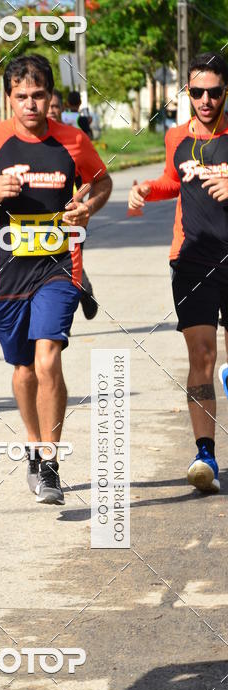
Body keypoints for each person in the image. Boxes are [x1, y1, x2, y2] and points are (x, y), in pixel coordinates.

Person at [0, 55, 111, 505]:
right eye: (22, 96)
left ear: (51, 97)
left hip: (59, 267)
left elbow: (102, 182)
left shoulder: (72, 141)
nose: (31, 104)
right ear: (8, 98)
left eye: (39, 95)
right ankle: (34, 449)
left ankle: (51, 462)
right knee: (22, 370)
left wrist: (87, 208)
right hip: (8, 273)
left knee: (46, 360)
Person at [128, 52, 228, 493]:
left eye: (215, 92)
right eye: (197, 92)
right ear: (187, 93)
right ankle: (204, 454)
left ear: (226, 93)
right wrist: (147, 189)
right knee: (202, 355)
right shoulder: (175, 138)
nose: (206, 100)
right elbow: (174, 180)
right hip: (191, 259)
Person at [49, 89, 98, 321]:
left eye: (55, 106)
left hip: (72, 216)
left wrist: (79, 199)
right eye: (47, 105)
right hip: (39, 220)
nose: (50, 110)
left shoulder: (75, 140)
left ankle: (82, 289)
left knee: (70, 260)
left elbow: (92, 180)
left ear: (62, 108)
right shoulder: (25, 144)